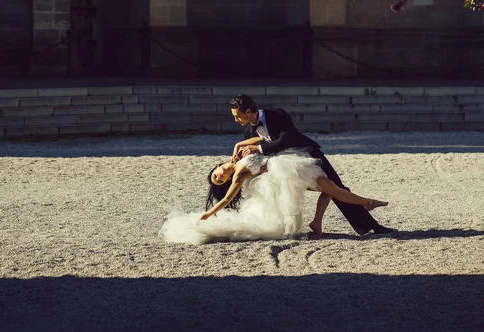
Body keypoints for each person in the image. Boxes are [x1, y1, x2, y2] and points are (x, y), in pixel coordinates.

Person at [229, 94, 394, 236]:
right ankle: (326, 220)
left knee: (336, 187)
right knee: (331, 188)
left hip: (309, 154)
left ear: (249, 112)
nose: (235, 120)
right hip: (290, 166)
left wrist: (258, 148)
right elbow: (254, 150)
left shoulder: (277, 115)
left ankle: (370, 225)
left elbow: (287, 138)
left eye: (237, 116)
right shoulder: (249, 131)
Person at [159, 145, 388, 245]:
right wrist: (208, 214)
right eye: (219, 180)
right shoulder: (238, 175)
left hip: (286, 163)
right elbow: (228, 199)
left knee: (327, 186)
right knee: (329, 186)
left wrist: (244, 144)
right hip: (284, 172)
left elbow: (258, 142)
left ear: (218, 166)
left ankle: (317, 221)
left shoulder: (238, 154)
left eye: (216, 175)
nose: (219, 178)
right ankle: (368, 203)